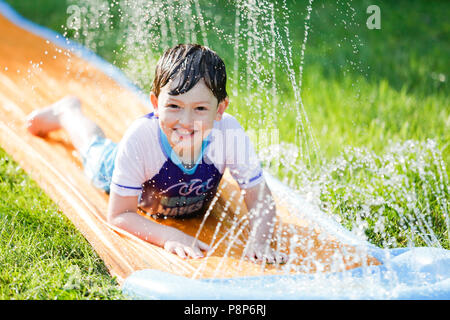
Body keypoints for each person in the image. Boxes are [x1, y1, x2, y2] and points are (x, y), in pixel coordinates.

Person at [26, 44, 287, 264]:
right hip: (115, 169)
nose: (185, 121)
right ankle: (67, 112)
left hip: (170, 195)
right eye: (173, 105)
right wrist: (169, 236)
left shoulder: (229, 133)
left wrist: (260, 241)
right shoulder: (141, 139)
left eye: (199, 109)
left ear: (220, 110)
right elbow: (119, 215)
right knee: (93, 147)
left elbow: (259, 196)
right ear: (155, 104)